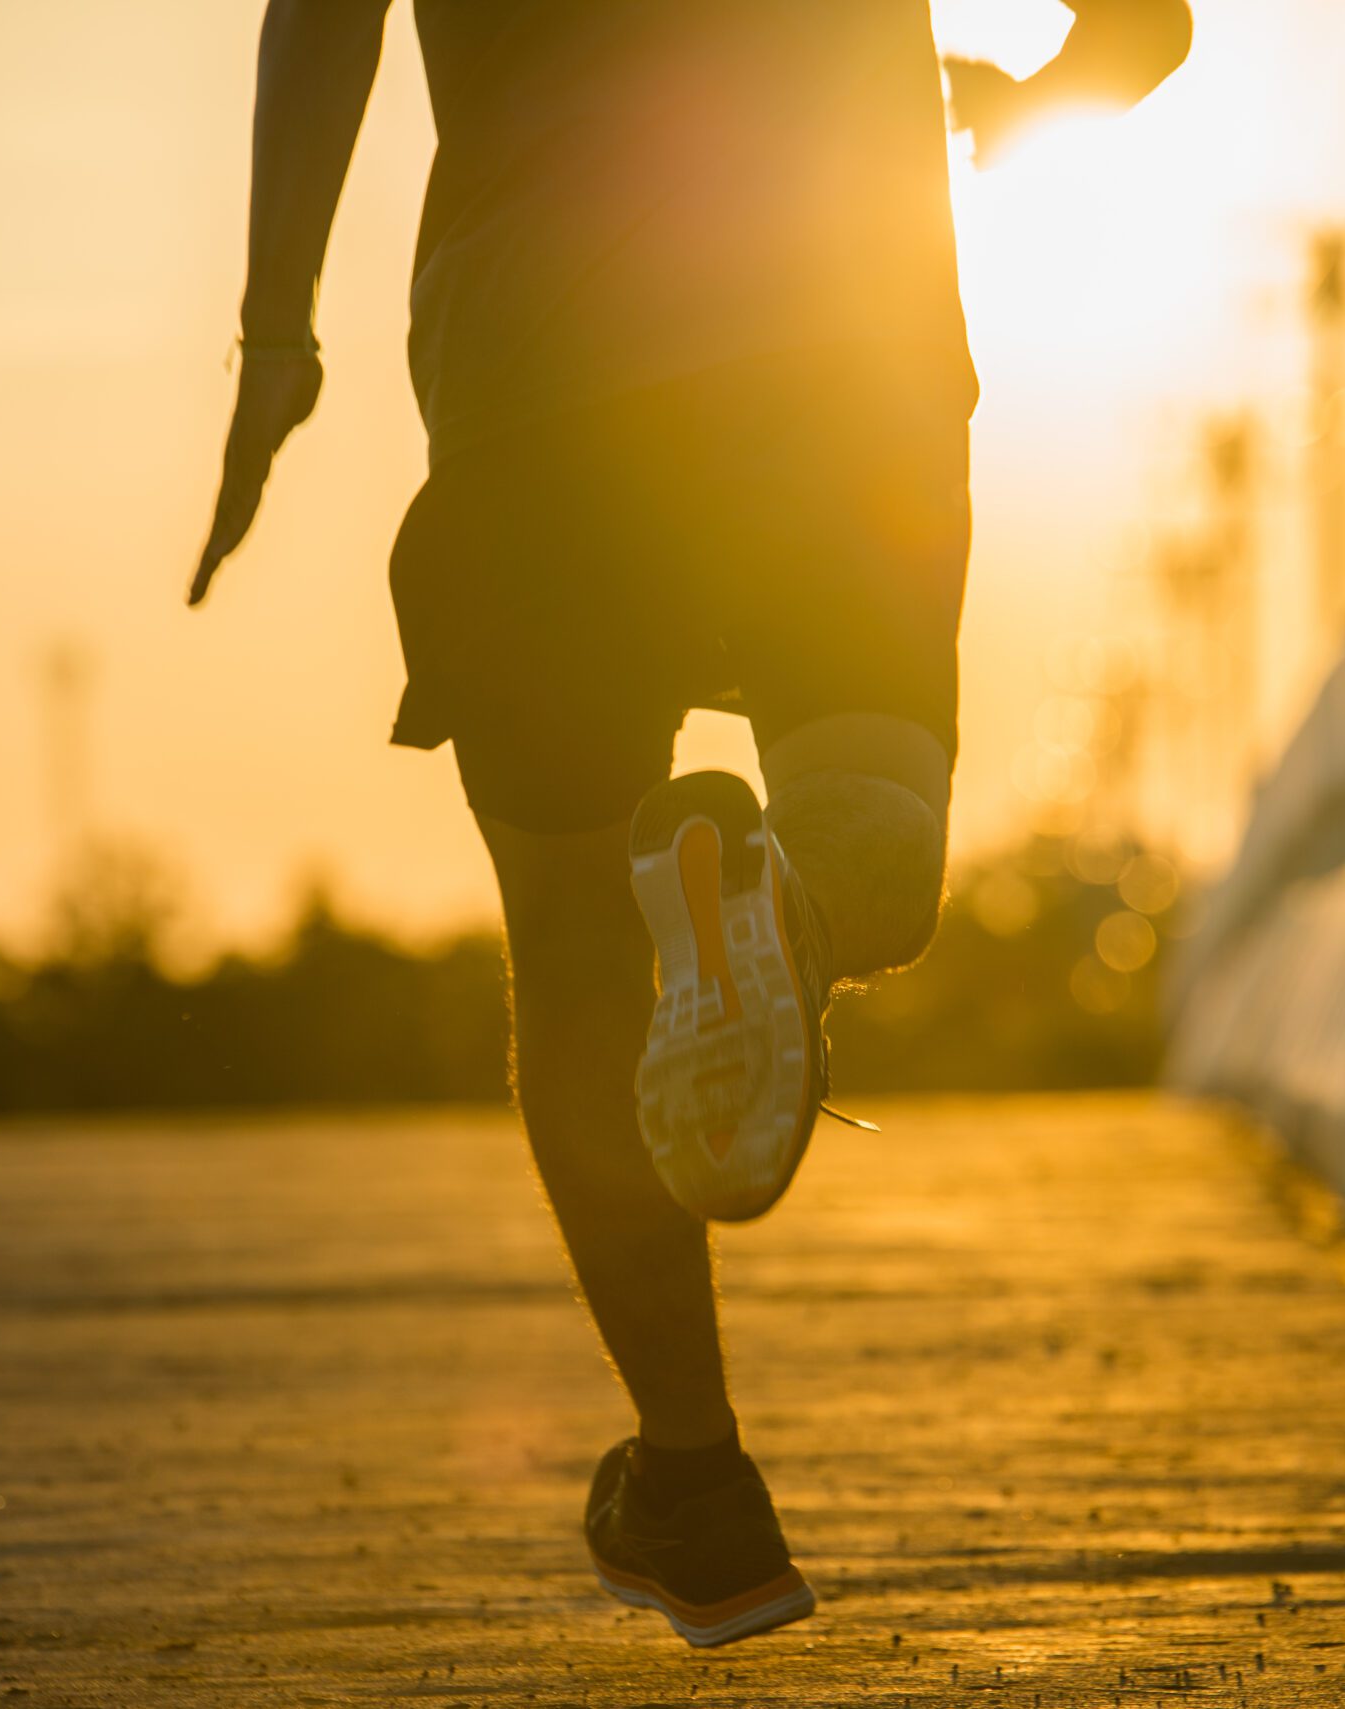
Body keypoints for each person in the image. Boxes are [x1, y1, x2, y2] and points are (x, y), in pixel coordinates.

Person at [190, 0, 1190, 1648]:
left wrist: (277, 335)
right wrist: (1032, 102)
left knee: (580, 942)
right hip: (842, 355)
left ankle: (699, 1487)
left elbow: (320, 20)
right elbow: (1146, 25)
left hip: (541, 374)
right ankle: (784, 901)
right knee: (874, 841)